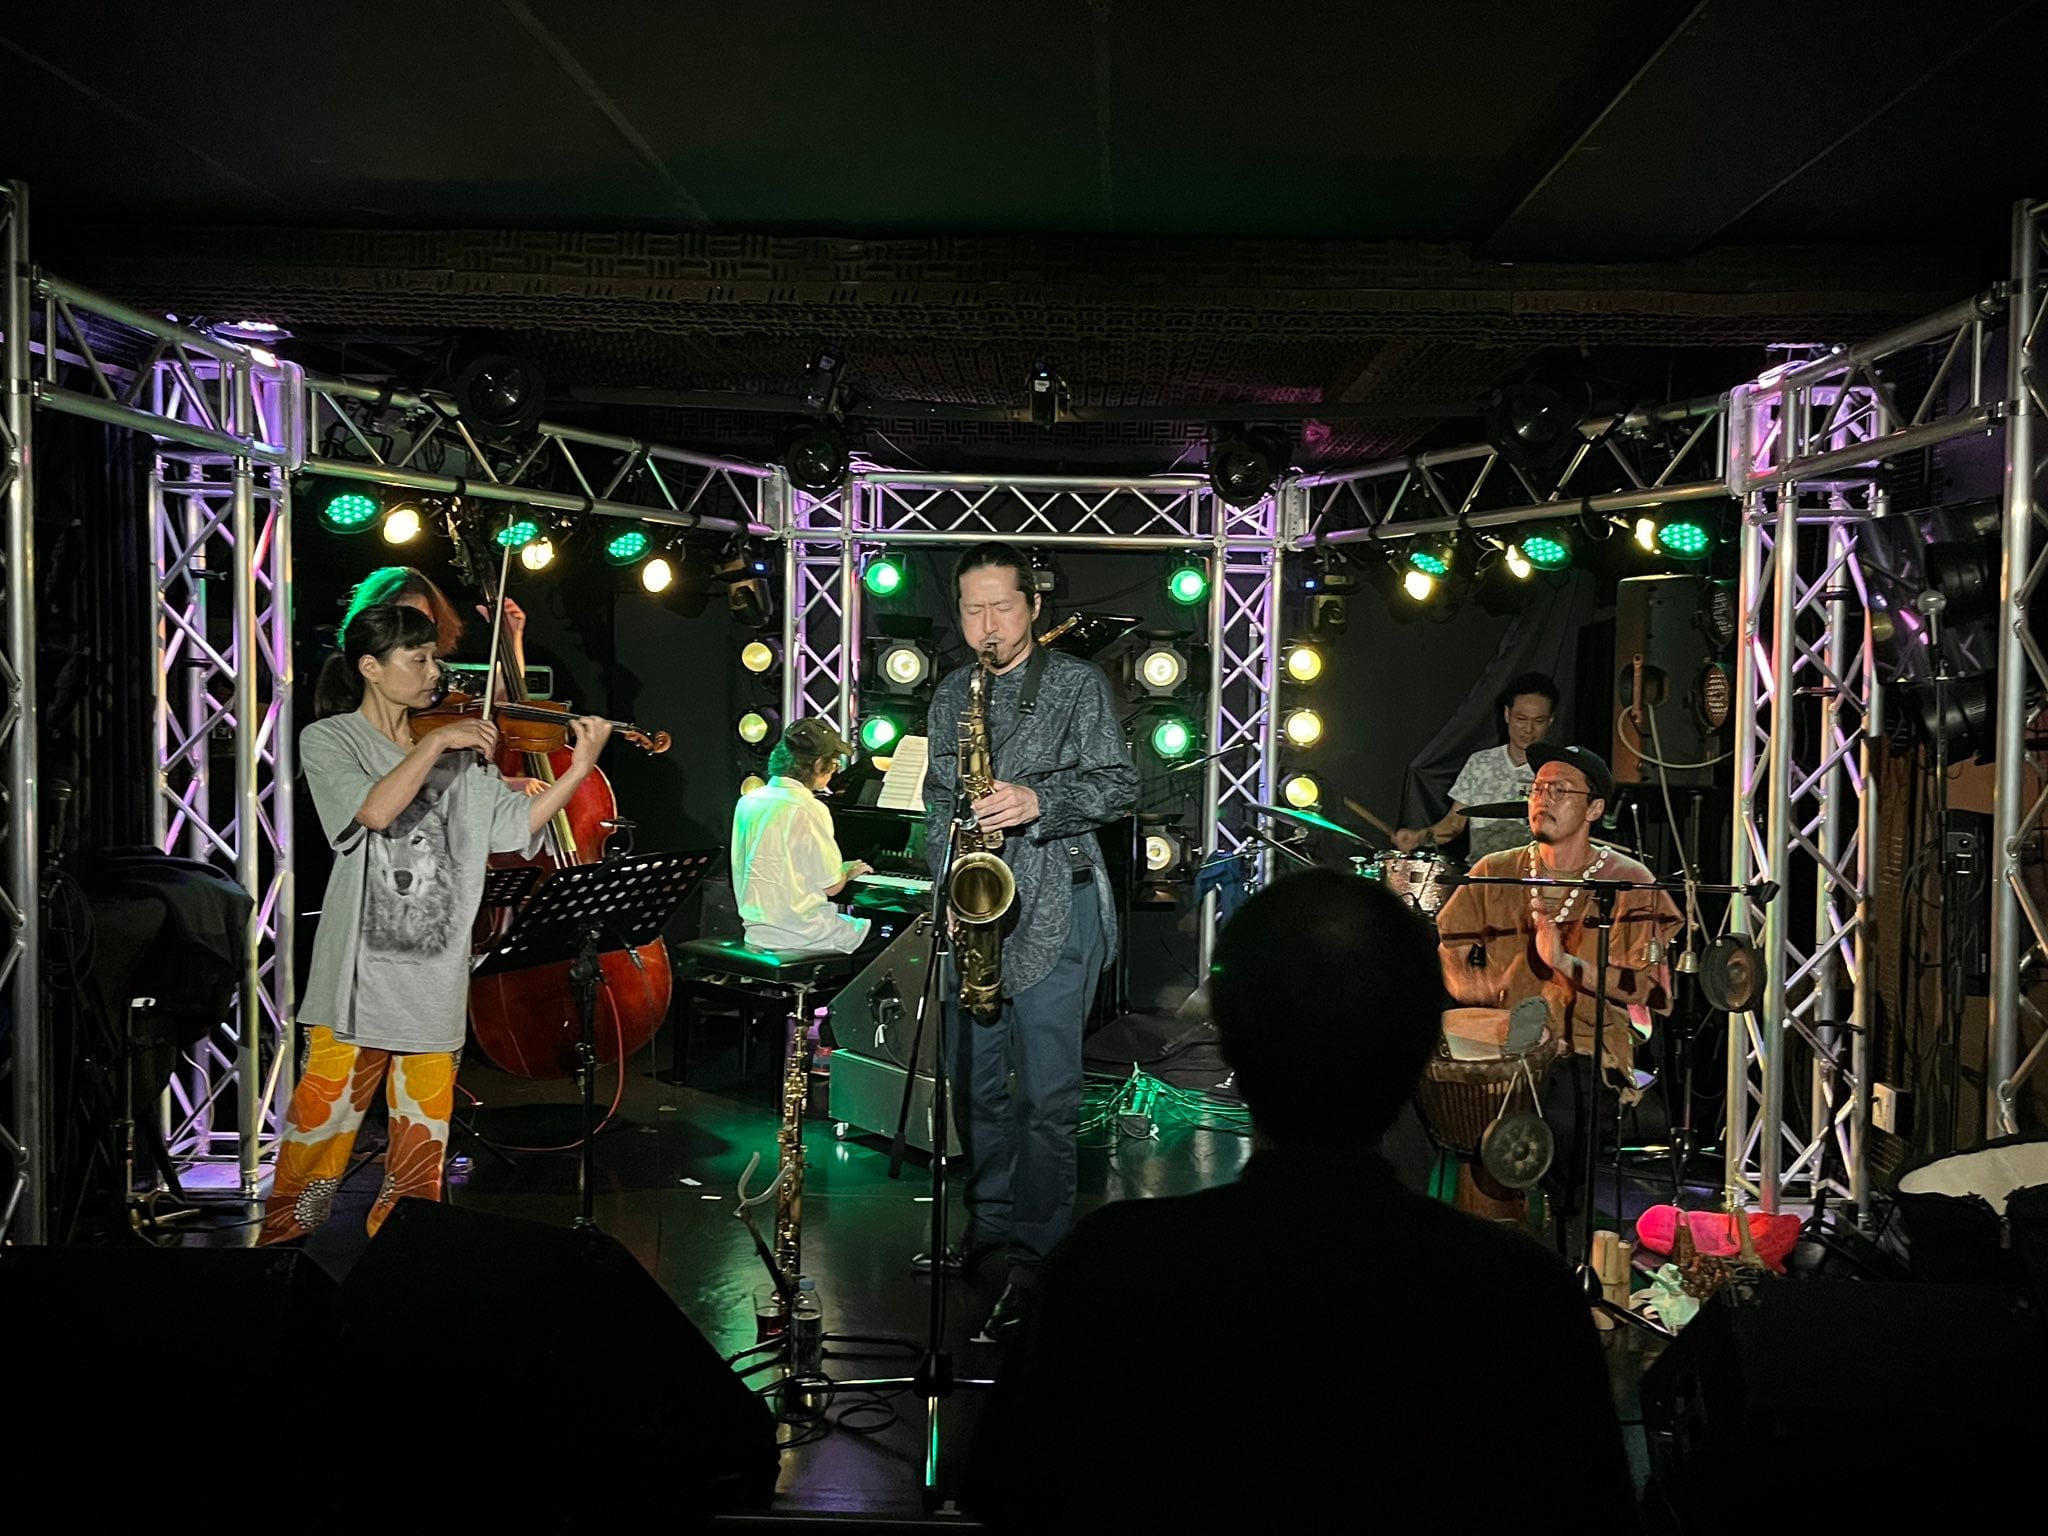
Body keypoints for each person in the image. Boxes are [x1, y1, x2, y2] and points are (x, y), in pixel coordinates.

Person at [966, 869, 1639, 1531]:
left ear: (1230, 1045)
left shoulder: (1108, 1270)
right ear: (1418, 1051)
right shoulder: (1523, 1299)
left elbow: (1010, 1496)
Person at [261, 603, 611, 1244]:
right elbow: (372, 813)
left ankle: (403, 1254)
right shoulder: (333, 739)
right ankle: (282, 1252)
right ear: (371, 667)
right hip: (357, 980)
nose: (435, 672)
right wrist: (433, 745)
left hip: (435, 976)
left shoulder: (460, 749)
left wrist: (579, 771)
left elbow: (513, 826)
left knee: (422, 1145)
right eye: (418, 659)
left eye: (435, 658)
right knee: (320, 1133)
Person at [919, 541, 1137, 1343]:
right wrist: (945, 877)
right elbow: (936, 801)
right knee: (974, 1086)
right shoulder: (952, 693)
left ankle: (1039, 1258)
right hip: (977, 909)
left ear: (1035, 606)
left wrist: (1036, 800)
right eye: (972, 609)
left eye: (1002, 607)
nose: (987, 625)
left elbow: (1119, 784)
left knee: (1047, 1099)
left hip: (1058, 902)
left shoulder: (1078, 684)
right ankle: (990, 1219)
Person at [1432, 743, 1681, 1111]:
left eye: (1560, 790)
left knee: (1557, 1108)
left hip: (1587, 1051)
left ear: (1594, 809)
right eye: (1536, 789)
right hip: (1504, 1043)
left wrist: (1567, 964)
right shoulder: (1494, 870)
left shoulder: (1629, 880)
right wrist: (1470, 986)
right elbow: (1450, 946)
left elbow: (1650, 991)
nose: (1542, 799)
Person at [346, 564, 544, 794]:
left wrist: (511, 637)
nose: (419, 630)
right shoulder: (350, 687)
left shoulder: (439, 676)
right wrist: (501, 784)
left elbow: (496, 708)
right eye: (407, 619)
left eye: (426, 620)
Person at [729, 717, 874, 955]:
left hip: (758, 933)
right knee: (895, 937)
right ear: (818, 764)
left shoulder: (748, 802)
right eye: (834, 764)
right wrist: (848, 870)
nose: (834, 771)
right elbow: (832, 887)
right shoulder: (808, 808)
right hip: (804, 935)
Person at [1394, 670, 1560, 859]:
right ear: (1507, 714)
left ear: (1550, 720)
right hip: (1480, 870)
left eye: (1538, 721)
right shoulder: (1479, 763)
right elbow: (1453, 824)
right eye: (1521, 719)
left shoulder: (1559, 771)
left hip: (1534, 871)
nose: (1528, 729)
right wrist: (1418, 837)